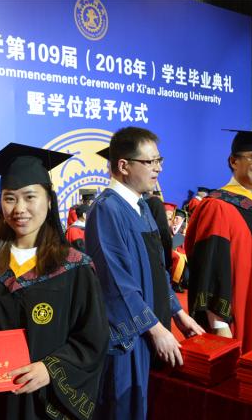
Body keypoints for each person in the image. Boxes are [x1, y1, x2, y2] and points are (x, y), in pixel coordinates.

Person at [0, 143, 108, 419]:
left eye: (30, 197)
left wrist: (50, 369)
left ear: (49, 200)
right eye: (10, 198)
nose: (19, 209)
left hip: (49, 403)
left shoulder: (74, 266)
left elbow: (93, 337)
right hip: (0, 402)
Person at [86, 128, 204, 420]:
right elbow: (116, 283)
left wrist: (179, 314)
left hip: (153, 329)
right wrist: (156, 329)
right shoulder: (107, 210)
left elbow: (157, 269)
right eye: (150, 162)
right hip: (128, 339)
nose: (158, 168)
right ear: (124, 166)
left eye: (159, 160)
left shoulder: (142, 207)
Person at [185, 129, 252, 354]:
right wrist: (219, 325)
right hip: (240, 313)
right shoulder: (218, 207)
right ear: (234, 161)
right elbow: (211, 271)